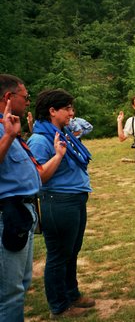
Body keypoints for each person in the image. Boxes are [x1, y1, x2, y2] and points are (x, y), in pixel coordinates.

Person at [28, 89, 94, 320]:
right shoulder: (39, 140)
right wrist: (57, 156)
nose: (71, 113)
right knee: (59, 254)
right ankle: (59, 305)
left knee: (72, 251)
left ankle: (72, 294)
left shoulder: (62, 133)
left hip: (75, 198)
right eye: (67, 108)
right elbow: (38, 178)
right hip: (58, 201)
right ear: (52, 110)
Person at [0, 74, 41, 322]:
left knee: (22, 284)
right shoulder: (5, 130)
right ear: (8, 97)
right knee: (10, 293)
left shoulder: (9, 126)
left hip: (23, 214)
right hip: (8, 215)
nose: (27, 101)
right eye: (24, 97)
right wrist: (8, 136)